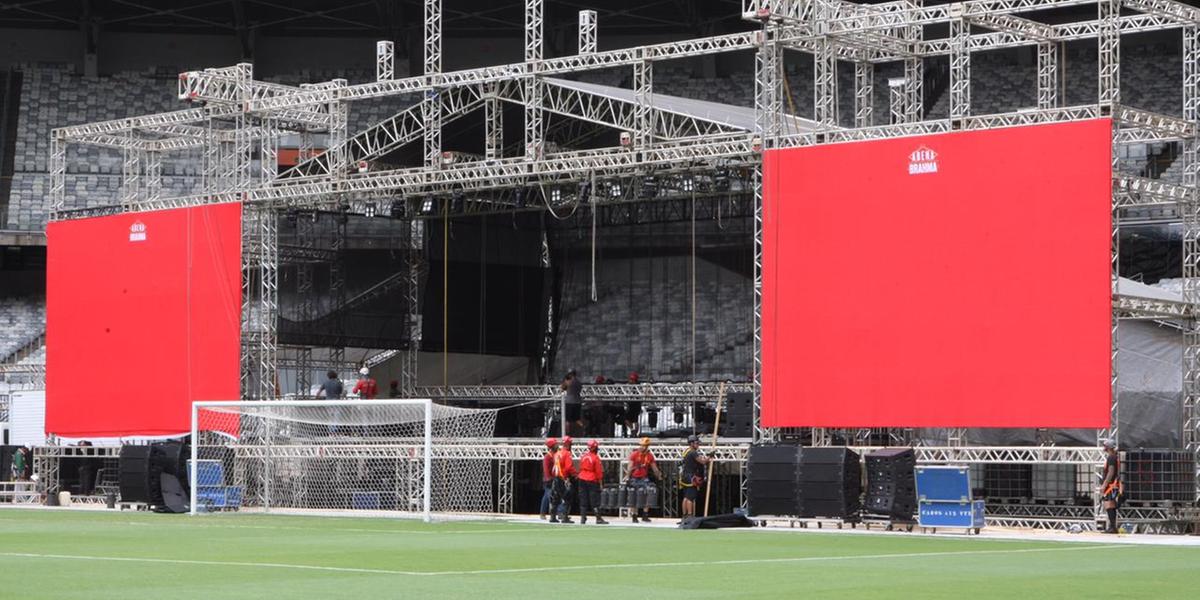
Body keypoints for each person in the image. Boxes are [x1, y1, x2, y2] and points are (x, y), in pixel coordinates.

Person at [624, 436, 663, 523]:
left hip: (644, 478)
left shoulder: (649, 456)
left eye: (644, 445)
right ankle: (634, 515)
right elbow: (629, 467)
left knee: (649, 494)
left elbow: (654, 468)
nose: (641, 447)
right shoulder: (634, 454)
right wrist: (627, 477)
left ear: (647, 446)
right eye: (641, 445)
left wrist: (659, 476)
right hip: (634, 478)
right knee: (633, 496)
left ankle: (645, 515)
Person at [678, 434, 711, 522]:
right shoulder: (693, 452)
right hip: (690, 477)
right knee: (690, 498)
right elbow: (702, 462)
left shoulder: (686, 451)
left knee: (685, 497)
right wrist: (709, 457)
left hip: (684, 476)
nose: (698, 445)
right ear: (691, 443)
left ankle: (684, 516)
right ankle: (689, 516)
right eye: (696, 443)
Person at [577, 439, 608, 525]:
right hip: (592, 479)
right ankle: (598, 518)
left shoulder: (583, 456)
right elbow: (599, 472)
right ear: (595, 448)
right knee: (594, 500)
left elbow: (580, 467)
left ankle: (583, 518)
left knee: (583, 498)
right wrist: (601, 483)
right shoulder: (595, 458)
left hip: (582, 478)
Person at [1099, 439, 1123, 534]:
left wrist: (1104, 485)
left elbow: (1111, 472)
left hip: (1110, 485)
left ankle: (1112, 527)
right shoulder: (1114, 457)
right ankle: (1112, 526)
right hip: (1112, 484)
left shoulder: (1111, 458)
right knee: (1110, 505)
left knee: (1109, 505)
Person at [552, 436, 576, 523]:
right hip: (563, 478)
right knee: (568, 497)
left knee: (556, 498)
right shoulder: (567, 454)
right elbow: (569, 467)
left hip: (556, 478)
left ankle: (552, 517)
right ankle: (565, 517)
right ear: (568, 444)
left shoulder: (557, 453)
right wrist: (575, 474)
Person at [560, 370, 584, 436]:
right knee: (577, 419)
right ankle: (583, 429)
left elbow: (562, 388)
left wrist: (565, 381)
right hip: (578, 402)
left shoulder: (568, 381)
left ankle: (566, 434)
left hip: (569, 402)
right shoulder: (579, 382)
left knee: (567, 420)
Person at [540, 437, 558, 521]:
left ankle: (546, 513)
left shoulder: (555, 455)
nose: (557, 445)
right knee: (548, 495)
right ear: (552, 446)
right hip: (548, 480)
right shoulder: (548, 457)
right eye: (556, 444)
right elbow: (546, 469)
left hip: (554, 478)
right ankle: (544, 513)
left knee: (550, 496)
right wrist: (549, 479)